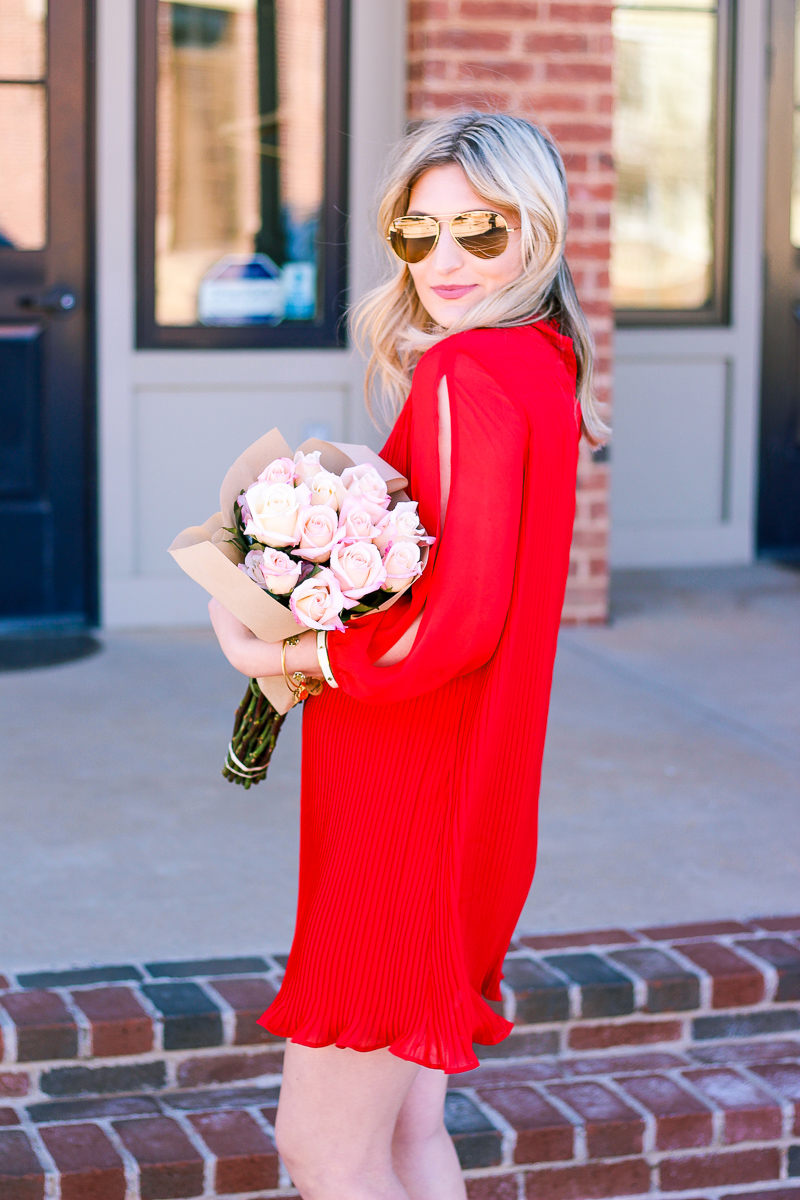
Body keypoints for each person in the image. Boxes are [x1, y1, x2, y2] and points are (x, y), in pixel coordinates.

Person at [209, 111, 608, 1200]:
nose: (443, 262)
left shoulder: (465, 374)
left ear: (536, 228)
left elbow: (457, 625)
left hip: (408, 805)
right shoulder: (542, 363)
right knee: (402, 1139)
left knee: (323, 1148)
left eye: (478, 233)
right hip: (475, 799)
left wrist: (288, 660)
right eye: (416, 234)